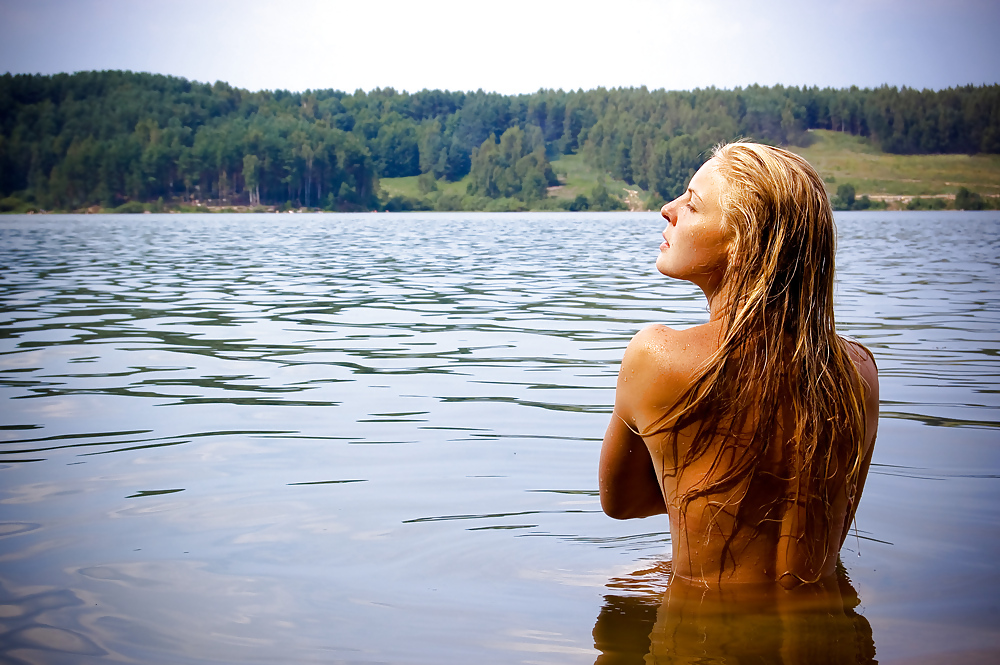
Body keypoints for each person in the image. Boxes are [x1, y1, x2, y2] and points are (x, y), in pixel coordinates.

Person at [599, 141, 879, 589]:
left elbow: (621, 502)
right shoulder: (857, 370)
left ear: (741, 242)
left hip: (702, 648)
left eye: (691, 203)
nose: (667, 210)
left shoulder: (657, 356)